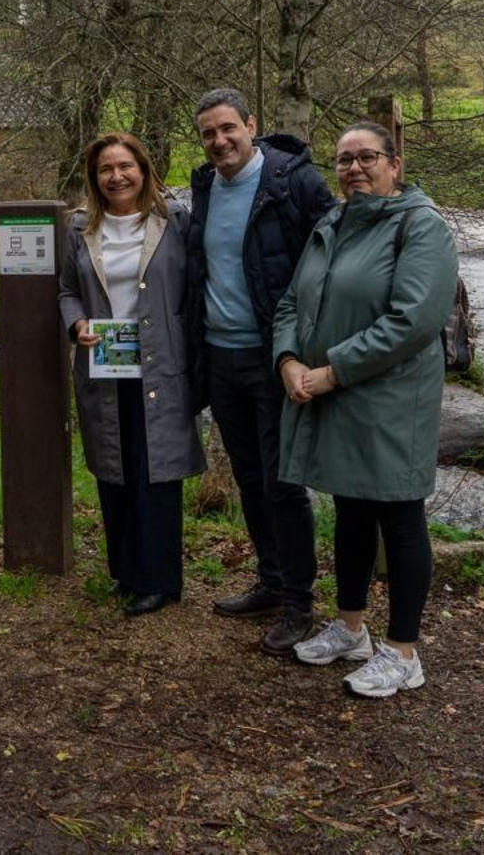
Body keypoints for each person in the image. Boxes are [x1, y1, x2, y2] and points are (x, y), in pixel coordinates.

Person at [274, 121, 459, 698]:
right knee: (351, 508)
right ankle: (351, 629)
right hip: (334, 391)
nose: (354, 168)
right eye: (344, 160)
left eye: (367, 157)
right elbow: (291, 301)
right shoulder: (332, 224)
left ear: (394, 165)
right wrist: (288, 360)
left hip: (392, 398)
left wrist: (332, 371)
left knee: (400, 516)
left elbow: (414, 320)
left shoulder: (421, 226)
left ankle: (403, 654)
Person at [185, 87, 336, 654]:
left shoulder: (294, 182)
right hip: (221, 356)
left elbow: (333, 257)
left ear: (251, 126)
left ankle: (299, 602)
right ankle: (271, 583)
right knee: (250, 477)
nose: (219, 140)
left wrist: (310, 345)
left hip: (277, 357)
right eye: (208, 133)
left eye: (228, 128)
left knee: (282, 482)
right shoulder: (205, 186)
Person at [60, 133, 203, 617]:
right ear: (94, 177)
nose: (116, 176)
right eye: (106, 169)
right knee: (114, 467)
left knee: (155, 469)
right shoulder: (80, 227)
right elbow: (66, 290)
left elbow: (196, 286)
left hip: (161, 364)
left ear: (143, 169)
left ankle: (159, 578)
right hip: (106, 363)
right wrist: (77, 324)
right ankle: (124, 570)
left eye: (125, 166)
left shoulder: (175, 221)